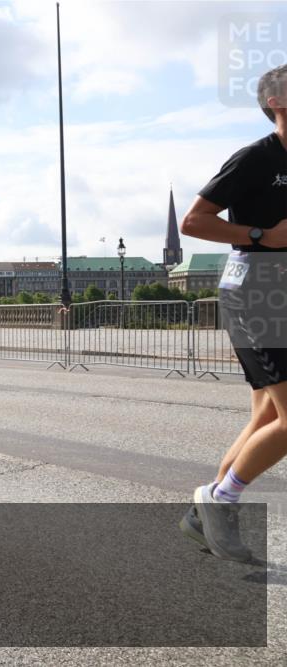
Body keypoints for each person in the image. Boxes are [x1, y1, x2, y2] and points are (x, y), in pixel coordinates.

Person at [178, 64, 287, 562]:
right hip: (256, 292)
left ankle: (204, 518)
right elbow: (194, 221)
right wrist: (262, 235)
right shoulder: (255, 159)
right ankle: (220, 499)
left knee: (269, 413)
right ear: (278, 105)